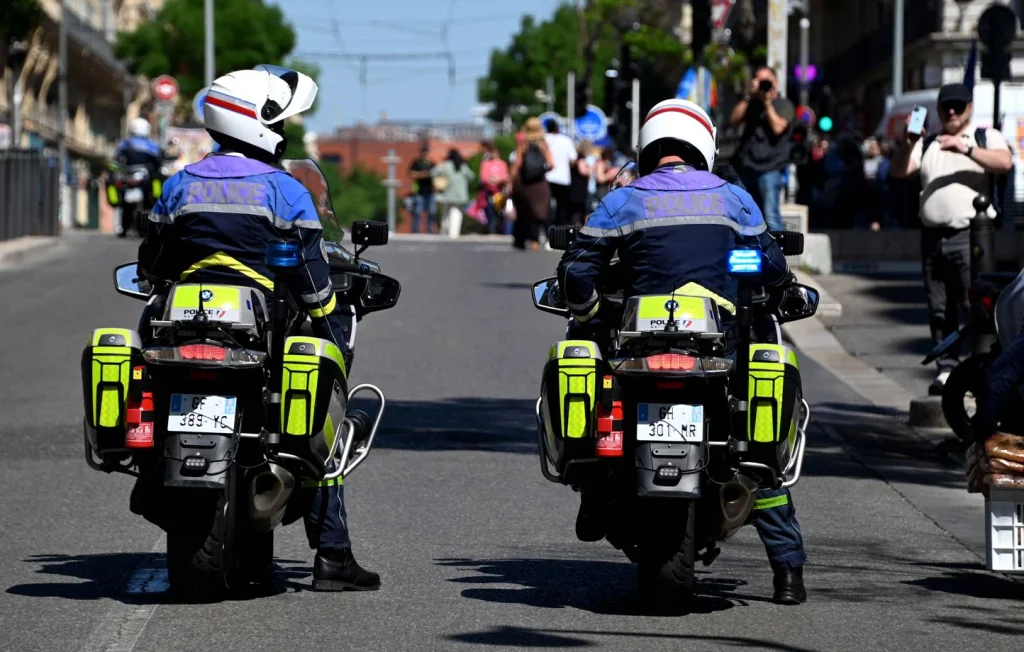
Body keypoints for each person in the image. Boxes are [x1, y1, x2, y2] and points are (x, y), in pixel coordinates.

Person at [136, 65, 380, 592]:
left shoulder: (179, 186)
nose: (287, 132)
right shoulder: (286, 192)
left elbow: (151, 266)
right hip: (258, 333)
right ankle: (332, 556)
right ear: (259, 122)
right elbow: (314, 283)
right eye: (283, 121)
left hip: (180, 335)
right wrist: (326, 320)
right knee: (317, 421)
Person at [556, 99, 806, 605]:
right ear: (704, 146)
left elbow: (577, 275)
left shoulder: (623, 201)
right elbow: (772, 269)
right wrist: (742, 267)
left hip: (636, 352)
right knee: (755, 457)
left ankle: (594, 492)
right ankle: (788, 573)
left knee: (596, 395)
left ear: (649, 147)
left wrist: (588, 314)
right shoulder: (734, 198)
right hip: (721, 352)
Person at [889, 82, 1013, 394]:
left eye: (958, 106)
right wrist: (907, 143)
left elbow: (1005, 162)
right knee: (939, 306)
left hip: (969, 235)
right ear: (939, 110)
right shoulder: (928, 142)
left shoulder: (985, 135)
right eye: (947, 107)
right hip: (933, 236)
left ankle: (980, 368)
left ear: (970, 107)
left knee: (975, 306)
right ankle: (947, 369)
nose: (952, 112)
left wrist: (966, 148)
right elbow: (899, 171)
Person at [730, 66, 795, 232]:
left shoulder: (783, 104)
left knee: (770, 216)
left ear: (775, 82)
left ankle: (777, 256)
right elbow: (734, 120)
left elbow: (778, 128)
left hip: (770, 169)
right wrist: (748, 96)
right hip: (746, 167)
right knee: (742, 215)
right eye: (759, 80)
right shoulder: (750, 103)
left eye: (766, 81)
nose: (763, 85)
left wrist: (767, 103)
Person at [113, 117, 164, 237]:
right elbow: (159, 162)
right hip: (145, 179)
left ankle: (124, 228)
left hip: (128, 178)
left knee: (125, 204)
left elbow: (116, 160)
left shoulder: (125, 143)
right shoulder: (152, 145)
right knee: (150, 200)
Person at [510, 117, 554, 251]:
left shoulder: (523, 142)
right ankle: (537, 239)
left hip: (524, 182)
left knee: (524, 211)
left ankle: (522, 240)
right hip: (539, 183)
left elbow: (517, 164)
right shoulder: (543, 143)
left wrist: (510, 179)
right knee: (541, 212)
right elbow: (552, 164)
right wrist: (541, 170)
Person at [432, 148, 475, 238]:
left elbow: (433, 172)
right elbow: (471, 177)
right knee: (456, 212)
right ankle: (454, 233)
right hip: (460, 194)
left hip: (447, 193)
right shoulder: (463, 166)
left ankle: (444, 232)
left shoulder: (445, 165)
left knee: (445, 213)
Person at [544, 119, 578, 226]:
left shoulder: (544, 140)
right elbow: (573, 160)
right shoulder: (566, 140)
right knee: (562, 207)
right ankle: (559, 230)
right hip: (563, 178)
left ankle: (546, 228)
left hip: (546, 177)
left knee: (546, 206)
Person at [479, 141, 510, 234]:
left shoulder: (502, 164)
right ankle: (491, 230)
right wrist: (491, 180)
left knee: (500, 212)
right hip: (489, 191)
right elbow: (483, 177)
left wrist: (498, 179)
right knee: (490, 211)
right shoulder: (485, 164)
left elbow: (505, 176)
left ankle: (500, 229)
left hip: (499, 191)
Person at [409, 144, 436, 234]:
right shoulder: (417, 162)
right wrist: (422, 175)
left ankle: (429, 230)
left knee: (431, 212)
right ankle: (415, 230)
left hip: (430, 191)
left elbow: (437, 176)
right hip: (419, 190)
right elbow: (410, 173)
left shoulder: (432, 163)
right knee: (417, 212)